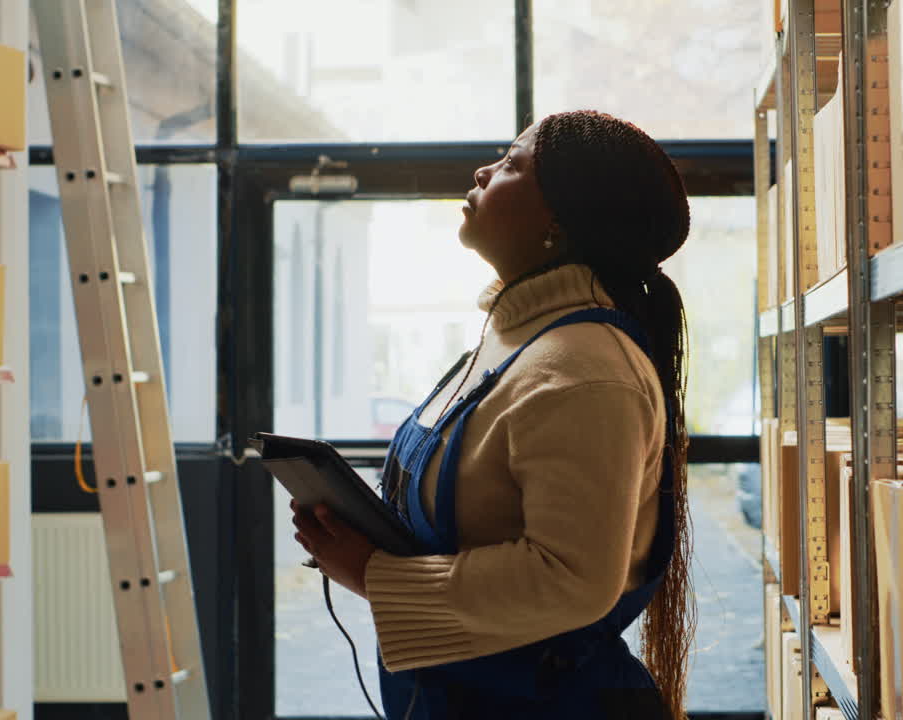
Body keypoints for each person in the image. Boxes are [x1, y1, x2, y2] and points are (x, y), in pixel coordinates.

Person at [291, 110, 694, 720]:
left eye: (511, 164)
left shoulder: (584, 370)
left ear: (558, 217)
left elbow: (572, 578)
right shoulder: (512, 342)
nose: (481, 171)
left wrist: (375, 575)